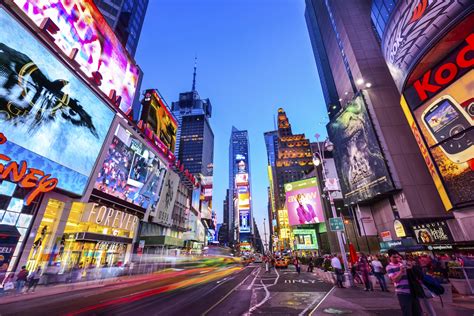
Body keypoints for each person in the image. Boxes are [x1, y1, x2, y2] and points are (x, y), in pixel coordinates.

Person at [386, 249, 422, 316]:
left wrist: (413, 267)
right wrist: (401, 272)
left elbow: (417, 276)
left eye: (397, 256)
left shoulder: (405, 263)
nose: (396, 258)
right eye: (394, 257)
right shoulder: (389, 267)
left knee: (418, 312)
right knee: (407, 312)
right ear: (389, 258)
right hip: (402, 293)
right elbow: (394, 280)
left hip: (413, 291)